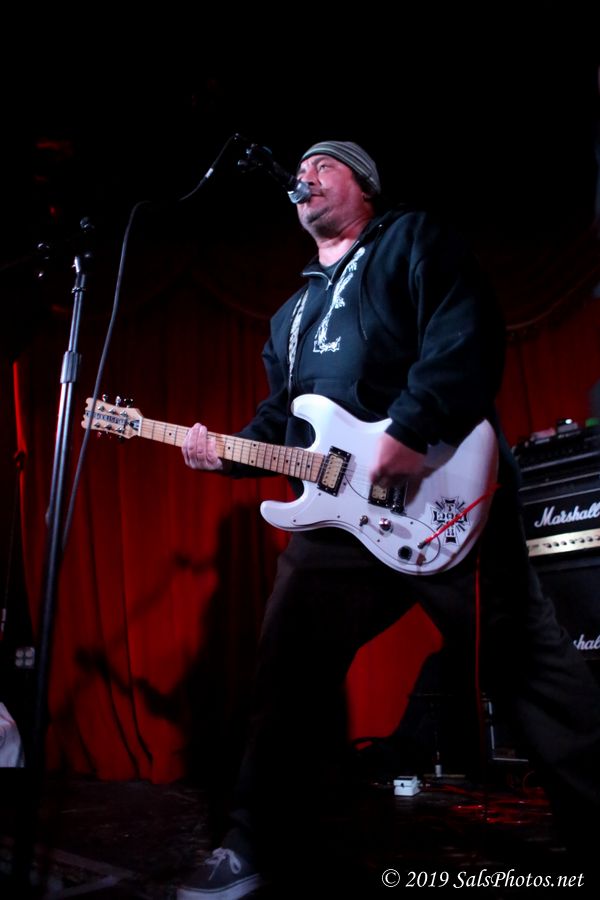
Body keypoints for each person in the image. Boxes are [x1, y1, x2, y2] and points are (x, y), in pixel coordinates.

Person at [177, 141, 600, 898]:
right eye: (300, 171)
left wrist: (411, 427)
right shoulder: (290, 318)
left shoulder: (411, 241)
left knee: (527, 665)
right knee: (286, 673)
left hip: (444, 489)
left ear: (363, 184)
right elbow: (283, 423)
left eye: (322, 166)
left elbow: (465, 331)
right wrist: (225, 452)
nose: (303, 178)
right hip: (340, 523)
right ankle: (252, 842)